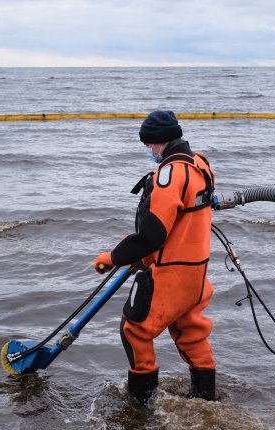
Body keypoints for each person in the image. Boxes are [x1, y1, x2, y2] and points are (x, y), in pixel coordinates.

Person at [93, 110, 217, 404]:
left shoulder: (169, 174)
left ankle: (141, 404)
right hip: (197, 273)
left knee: (134, 329)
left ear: (160, 141)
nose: (149, 151)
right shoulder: (201, 164)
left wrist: (112, 257)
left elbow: (152, 235)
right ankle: (206, 399)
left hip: (172, 272)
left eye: (149, 145)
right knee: (190, 332)